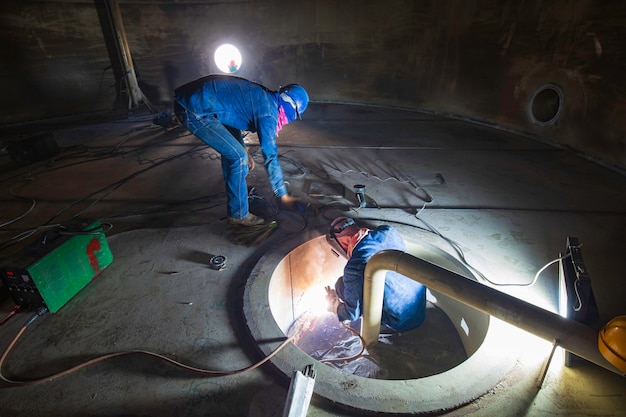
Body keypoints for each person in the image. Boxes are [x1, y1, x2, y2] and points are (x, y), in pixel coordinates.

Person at [174, 75, 309, 226]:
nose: (291, 119)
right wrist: (282, 194)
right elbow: (270, 156)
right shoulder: (268, 113)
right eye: (295, 115)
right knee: (237, 158)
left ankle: (236, 201)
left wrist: (244, 148)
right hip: (192, 109)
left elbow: (230, 117)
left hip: (199, 103)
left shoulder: (266, 98)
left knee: (238, 155)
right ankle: (238, 214)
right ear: (291, 106)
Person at [325, 217, 427, 332]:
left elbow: (352, 314)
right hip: (421, 308)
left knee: (341, 286)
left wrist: (335, 305)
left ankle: (380, 331)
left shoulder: (354, 267)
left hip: (401, 321)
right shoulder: (388, 231)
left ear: (343, 242)